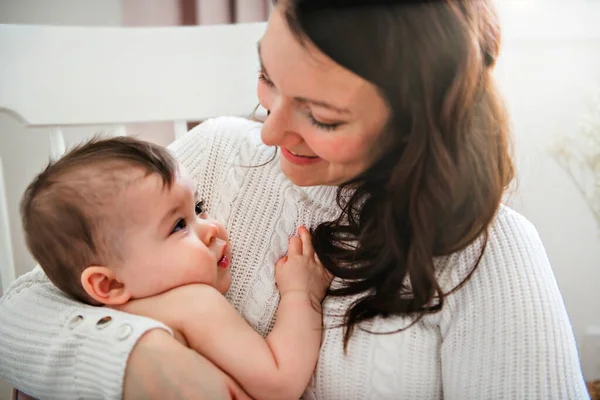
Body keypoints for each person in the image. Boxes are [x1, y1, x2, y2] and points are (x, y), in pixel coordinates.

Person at [0, 0, 589, 399]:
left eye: (322, 117)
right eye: (267, 81)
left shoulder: (487, 258)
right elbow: (21, 309)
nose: (268, 133)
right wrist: (138, 361)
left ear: (418, 124)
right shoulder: (210, 159)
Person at [17, 136, 330, 400]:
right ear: (108, 285)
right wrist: (301, 293)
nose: (212, 228)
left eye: (198, 207)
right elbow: (279, 382)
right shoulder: (193, 303)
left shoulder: (110, 317)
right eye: (179, 225)